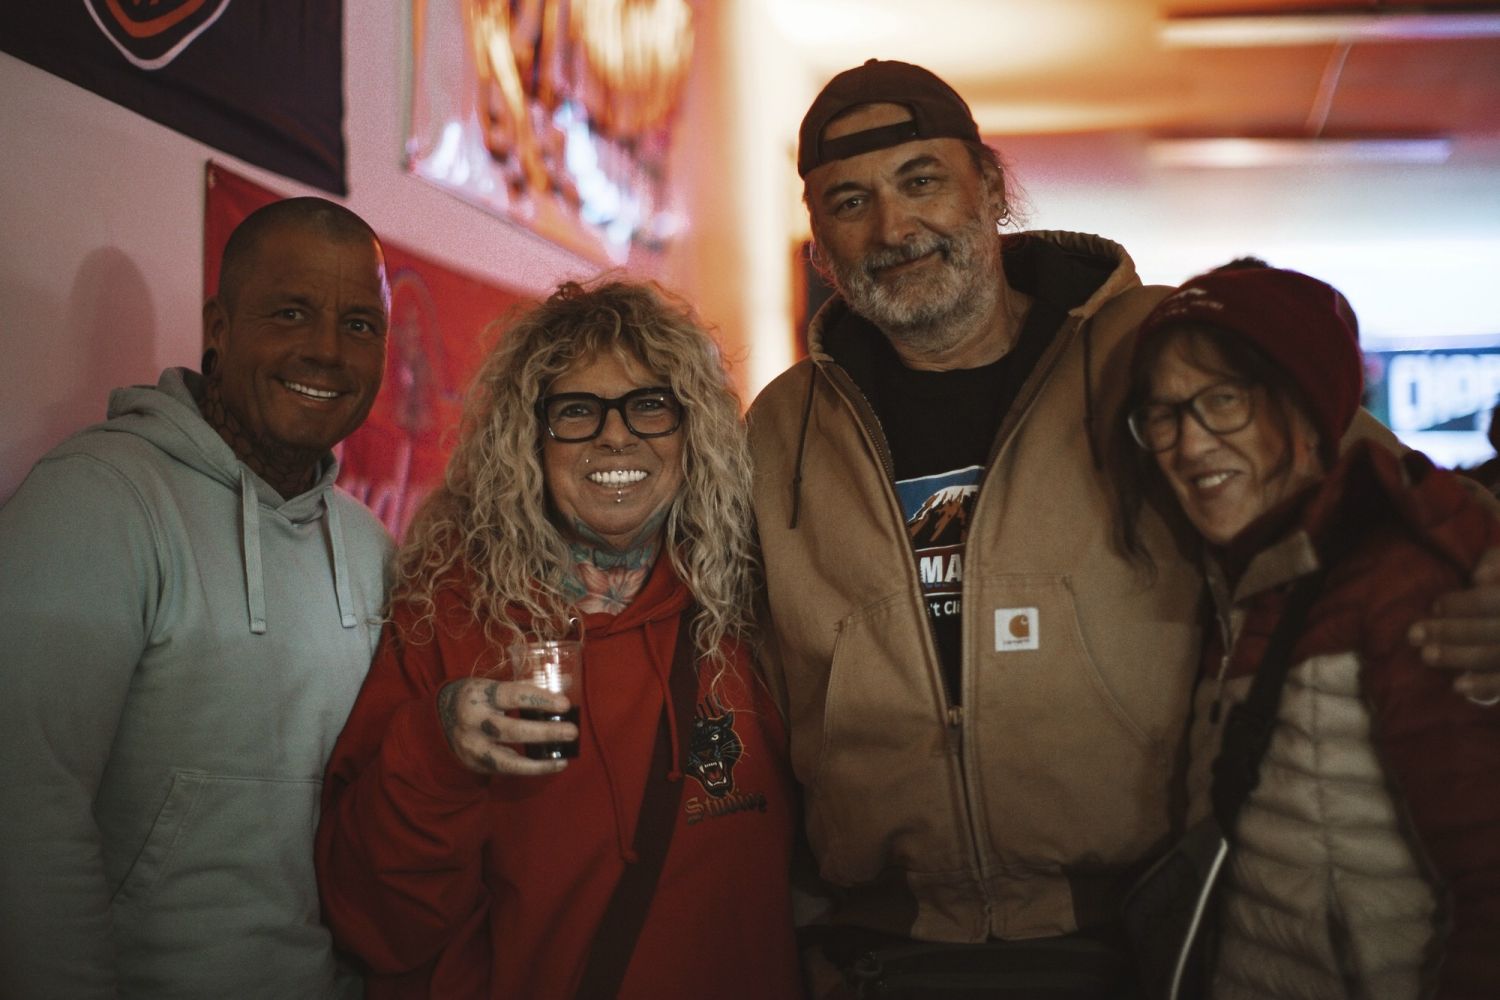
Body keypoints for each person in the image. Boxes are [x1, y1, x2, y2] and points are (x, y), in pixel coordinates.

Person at [746, 58, 1500, 997]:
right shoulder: (780, 430)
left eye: (922, 180)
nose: (894, 228)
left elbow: (1381, 485)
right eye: (850, 202)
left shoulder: (1152, 348)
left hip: (1138, 936)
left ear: (990, 188)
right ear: (820, 242)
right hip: (879, 950)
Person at [316, 278, 803, 999]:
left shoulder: (755, 605)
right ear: (530, 441)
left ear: (692, 430)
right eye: (577, 410)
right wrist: (437, 746)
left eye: (649, 405)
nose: (616, 435)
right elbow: (373, 921)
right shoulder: (449, 616)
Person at [0, 197, 394, 997]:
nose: (326, 350)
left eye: (358, 324)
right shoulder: (97, 499)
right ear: (219, 327)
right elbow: (25, 814)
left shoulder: (369, 548)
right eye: (291, 312)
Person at [1114, 264, 1500, 997]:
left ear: (1304, 407)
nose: (1188, 445)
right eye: (1162, 414)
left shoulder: (1400, 584)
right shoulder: (1239, 585)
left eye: (1223, 400)